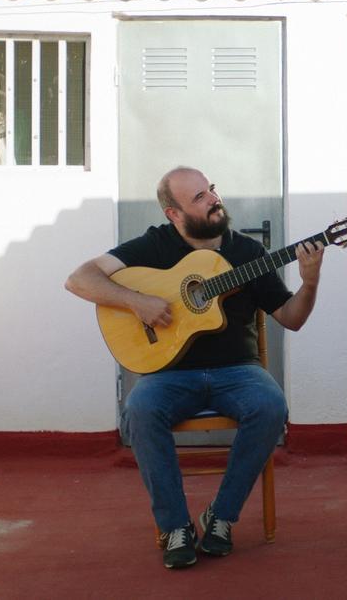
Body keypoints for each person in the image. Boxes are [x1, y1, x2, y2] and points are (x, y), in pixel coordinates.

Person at [65, 166, 324, 570]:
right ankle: (175, 526)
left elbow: (291, 318)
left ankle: (220, 516)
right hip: (169, 374)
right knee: (141, 410)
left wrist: (310, 282)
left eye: (212, 190)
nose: (214, 200)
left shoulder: (248, 255)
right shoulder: (154, 246)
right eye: (199, 198)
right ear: (174, 214)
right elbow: (79, 279)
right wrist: (137, 301)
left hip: (238, 370)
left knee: (271, 406)